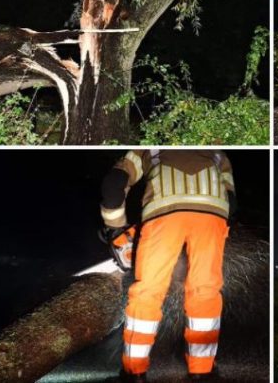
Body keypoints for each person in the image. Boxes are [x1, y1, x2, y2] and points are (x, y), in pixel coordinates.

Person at [100, 150, 236, 382]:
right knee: (205, 291)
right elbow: (232, 202)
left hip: (163, 212)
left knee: (147, 291)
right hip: (214, 212)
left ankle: (134, 372)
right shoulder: (218, 150)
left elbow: (114, 184)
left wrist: (116, 228)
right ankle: (202, 371)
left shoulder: (145, 148)